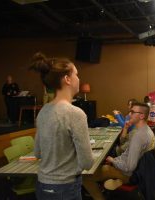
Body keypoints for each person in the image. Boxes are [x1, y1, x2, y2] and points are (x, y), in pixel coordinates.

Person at [29, 52, 95, 200]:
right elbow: (87, 162)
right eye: (76, 74)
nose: (79, 78)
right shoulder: (75, 114)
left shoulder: (43, 111)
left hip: (42, 186)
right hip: (65, 188)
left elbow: (38, 152)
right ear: (67, 79)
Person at [83, 102, 155, 199]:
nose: (129, 114)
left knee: (85, 177)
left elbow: (129, 167)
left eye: (132, 112)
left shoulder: (138, 137)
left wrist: (113, 160)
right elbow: (124, 146)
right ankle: (107, 185)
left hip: (126, 174)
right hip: (128, 166)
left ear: (141, 116)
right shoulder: (145, 130)